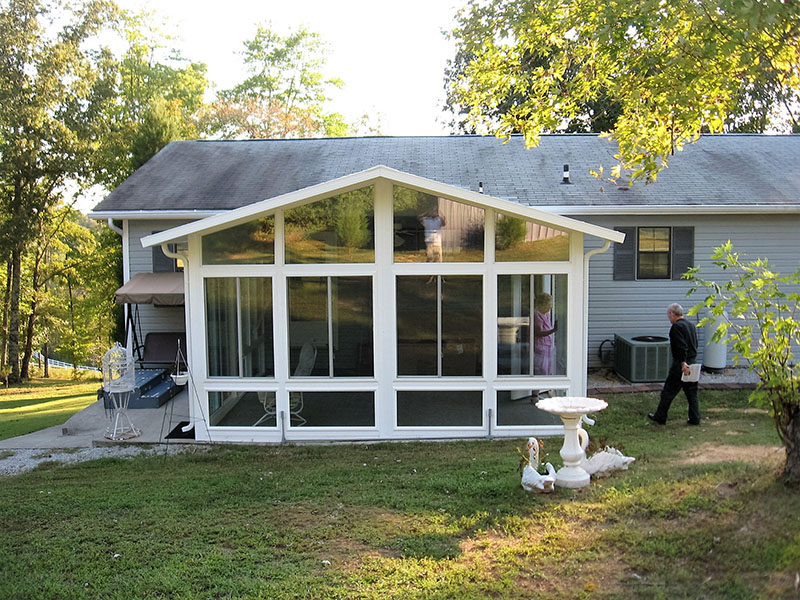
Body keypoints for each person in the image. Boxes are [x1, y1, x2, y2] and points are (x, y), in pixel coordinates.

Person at [648, 303, 700, 426]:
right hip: (692, 363)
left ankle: (660, 417)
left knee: (668, 392)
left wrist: (683, 363)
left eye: (668, 315)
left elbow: (680, 347)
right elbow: (695, 344)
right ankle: (695, 418)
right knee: (691, 393)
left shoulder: (676, 327)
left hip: (681, 365)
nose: (668, 318)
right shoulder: (691, 326)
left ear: (672, 314)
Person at [533, 292, 557, 375]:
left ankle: (546, 386)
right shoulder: (537, 314)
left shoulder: (546, 313)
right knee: (541, 368)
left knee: (548, 367)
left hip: (548, 344)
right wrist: (553, 330)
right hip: (541, 345)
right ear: (542, 304)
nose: (550, 307)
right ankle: (538, 386)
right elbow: (538, 333)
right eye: (548, 305)